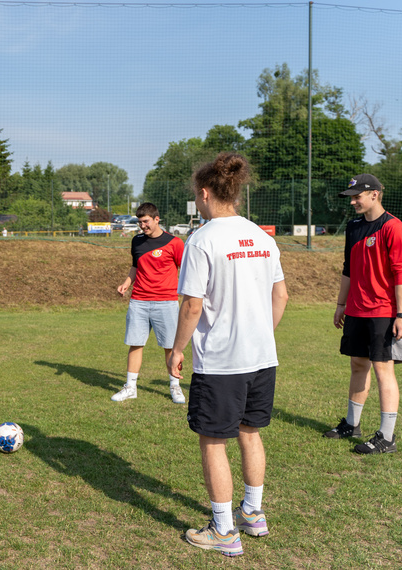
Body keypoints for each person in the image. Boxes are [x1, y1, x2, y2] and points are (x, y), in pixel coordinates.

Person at [168, 153, 288, 557]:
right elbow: (281, 295)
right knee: (250, 433)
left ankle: (223, 531)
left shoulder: (201, 239)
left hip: (221, 362)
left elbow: (191, 306)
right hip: (262, 358)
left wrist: (176, 349)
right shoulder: (263, 237)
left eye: (196, 197)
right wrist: (259, 336)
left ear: (204, 194)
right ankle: (253, 515)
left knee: (213, 440)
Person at [325, 173, 402, 455]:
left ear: (374, 194)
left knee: (382, 370)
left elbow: (401, 275)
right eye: (351, 197)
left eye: (356, 197)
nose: (352, 202)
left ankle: (387, 437)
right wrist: (341, 305)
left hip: (383, 312)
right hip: (356, 310)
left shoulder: (393, 228)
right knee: (357, 365)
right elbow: (348, 269)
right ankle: (352, 424)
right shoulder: (353, 227)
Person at [113, 203, 185, 405]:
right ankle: (130, 387)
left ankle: (175, 386)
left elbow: (186, 270)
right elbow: (135, 266)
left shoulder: (175, 243)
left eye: (145, 221)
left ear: (156, 219)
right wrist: (126, 284)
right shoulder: (136, 241)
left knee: (171, 347)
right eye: (139, 222)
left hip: (167, 302)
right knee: (135, 343)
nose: (142, 226)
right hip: (139, 301)